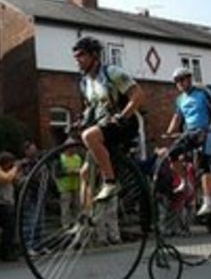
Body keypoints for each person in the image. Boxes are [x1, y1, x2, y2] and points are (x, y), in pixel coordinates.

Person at [72, 36, 145, 202]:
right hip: (103, 126)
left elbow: (138, 95)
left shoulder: (111, 72)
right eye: (76, 57)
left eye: (82, 55)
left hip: (124, 124)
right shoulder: (85, 83)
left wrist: (122, 116)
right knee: (85, 174)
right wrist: (81, 121)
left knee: (89, 136)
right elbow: (91, 107)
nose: (78, 61)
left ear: (95, 55)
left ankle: (110, 182)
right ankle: (84, 220)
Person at [164, 67, 211, 216]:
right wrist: (169, 133)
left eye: (182, 80)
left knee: (203, 164)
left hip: (206, 131)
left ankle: (208, 201)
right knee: (172, 154)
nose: (180, 84)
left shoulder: (203, 92)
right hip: (190, 133)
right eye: (177, 82)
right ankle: (185, 183)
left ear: (189, 79)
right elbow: (176, 118)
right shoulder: (180, 99)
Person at [0, 152, 20, 261]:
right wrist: (15, 168)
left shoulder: (7, 171)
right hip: (1, 203)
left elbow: (14, 180)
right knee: (7, 228)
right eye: (9, 164)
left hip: (9, 202)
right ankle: (5, 252)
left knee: (11, 229)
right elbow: (6, 178)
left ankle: (10, 250)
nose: (10, 167)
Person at [56, 147, 82, 229]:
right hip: (64, 187)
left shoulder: (78, 158)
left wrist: (78, 171)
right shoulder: (60, 158)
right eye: (71, 149)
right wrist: (68, 172)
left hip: (76, 185)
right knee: (65, 207)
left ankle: (77, 224)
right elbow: (57, 173)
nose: (74, 150)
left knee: (77, 206)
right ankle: (66, 225)